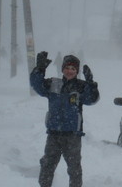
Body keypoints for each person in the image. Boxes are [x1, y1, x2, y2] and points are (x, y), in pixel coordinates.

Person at [30, 51, 100, 187]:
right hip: (54, 134)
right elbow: (37, 86)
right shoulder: (53, 83)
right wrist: (39, 69)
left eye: (73, 69)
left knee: (74, 169)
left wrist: (91, 84)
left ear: (77, 71)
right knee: (47, 165)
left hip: (72, 135)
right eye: (67, 68)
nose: (69, 71)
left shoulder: (81, 86)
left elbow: (92, 99)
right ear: (62, 69)